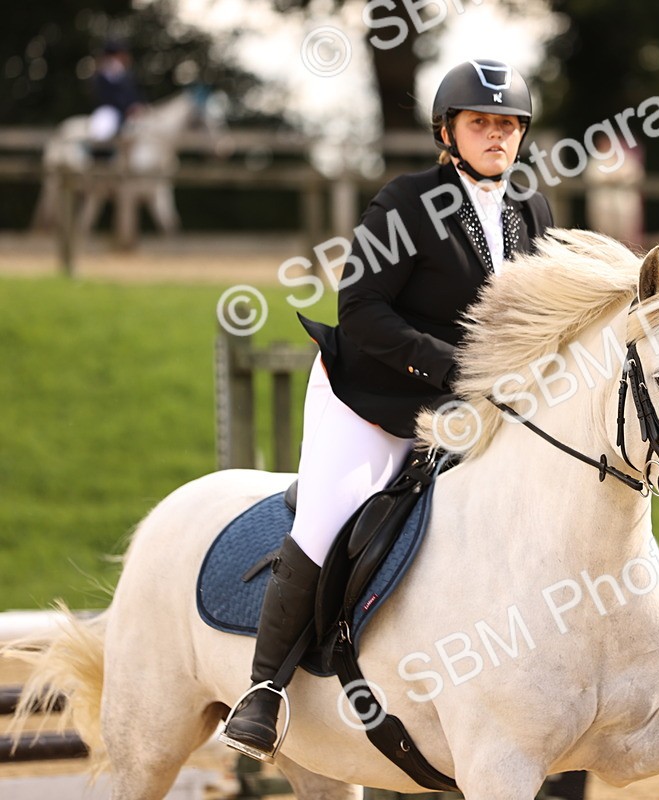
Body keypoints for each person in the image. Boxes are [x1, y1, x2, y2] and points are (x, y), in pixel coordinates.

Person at [220, 58, 554, 762]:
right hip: (371, 395)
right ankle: (264, 691)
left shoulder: (531, 207)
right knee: (332, 509)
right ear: (448, 130)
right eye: (481, 122)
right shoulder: (406, 201)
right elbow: (361, 309)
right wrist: (449, 366)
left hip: (468, 405)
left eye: (508, 124)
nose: (496, 136)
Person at [89, 38, 144, 143]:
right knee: (103, 129)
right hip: (110, 111)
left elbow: (134, 94)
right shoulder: (105, 74)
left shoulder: (127, 74)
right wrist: (126, 107)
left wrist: (136, 105)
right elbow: (107, 96)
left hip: (132, 114)